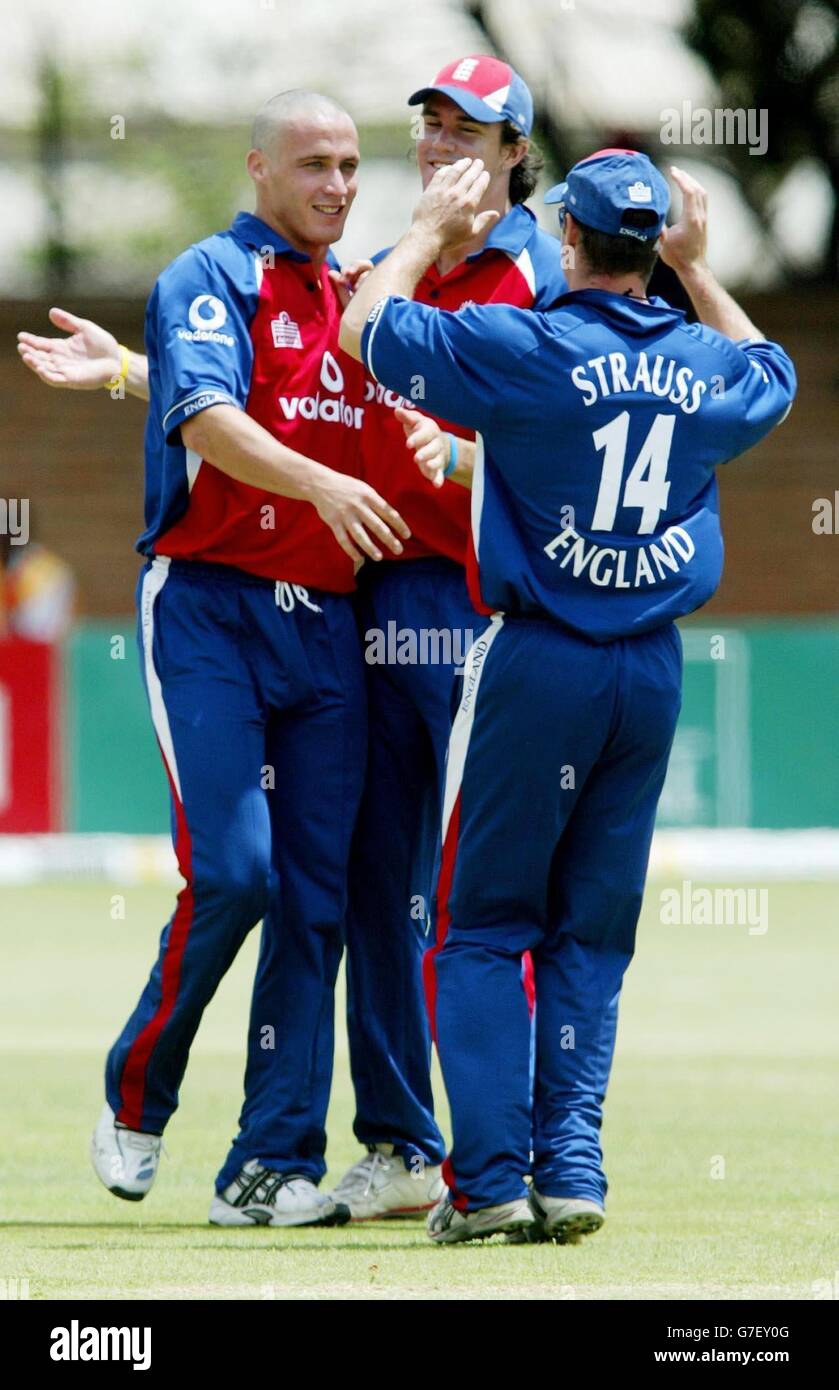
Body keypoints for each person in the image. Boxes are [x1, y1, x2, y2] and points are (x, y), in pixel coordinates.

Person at [19, 56, 569, 1223]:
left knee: (435, 890)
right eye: (426, 127)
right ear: (262, 168)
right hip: (338, 600)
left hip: (447, 606)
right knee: (331, 882)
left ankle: (495, 1155)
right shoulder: (359, 279)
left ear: (517, 151)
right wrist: (128, 372)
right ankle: (312, 1149)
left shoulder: (524, 273)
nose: (438, 149)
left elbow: (569, 420)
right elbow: (264, 396)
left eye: (470, 130)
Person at [340, 151, 796, 1242]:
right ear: (652, 247)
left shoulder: (524, 345)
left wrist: (427, 232)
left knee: (484, 926)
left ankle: (491, 1184)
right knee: (590, 936)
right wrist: (698, 271)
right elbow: (771, 375)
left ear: (568, 241)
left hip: (536, 658)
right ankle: (571, 1171)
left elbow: (366, 325)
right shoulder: (697, 356)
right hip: (646, 669)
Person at [23, 88, 410, 1229]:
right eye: (312, 166)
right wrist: (321, 480)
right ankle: (138, 1094)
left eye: (349, 165)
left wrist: (126, 375)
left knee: (315, 900)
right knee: (236, 871)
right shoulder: (209, 273)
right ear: (257, 169)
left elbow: (273, 396)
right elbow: (208, 417)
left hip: (328, 627)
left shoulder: (358, 299)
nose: (336, 185)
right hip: (209, 612)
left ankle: (268, 1163)